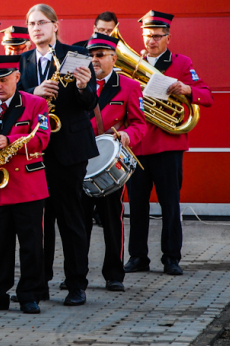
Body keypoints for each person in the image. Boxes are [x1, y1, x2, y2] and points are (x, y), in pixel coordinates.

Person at [18, 4, 98, 306]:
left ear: (55, 26)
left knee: (71, 220)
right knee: (39, 221)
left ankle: (77, 284)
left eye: (42, 22)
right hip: (34, 150)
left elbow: (90, 102)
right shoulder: (21, 61)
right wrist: (33, 93)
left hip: (69, 150)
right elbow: (13, 98)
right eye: (31, 23)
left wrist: (81, 86)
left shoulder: (74, 55)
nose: (36, 28)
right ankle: (40, 284)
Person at [126, 10, 213, 276]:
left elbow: (206, 95)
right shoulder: (133, 64)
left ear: (168, 37)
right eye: (147, 35)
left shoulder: (182, 63)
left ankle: (171, 257)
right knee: (136, 206)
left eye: (156, 36)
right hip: (138, 147)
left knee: (170, 205)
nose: (151, 41)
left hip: (168, 147)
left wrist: (187, 89)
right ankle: (138, 257)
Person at [0, 55, 50, 314]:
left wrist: (10, 140)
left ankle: (29, 295)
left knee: (31, 244)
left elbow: (43, 138)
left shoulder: (36, 104)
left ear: (16, 77)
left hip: (27, 185)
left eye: (3, 80)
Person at [80, 34, 146, 292]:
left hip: (109, 163)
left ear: (113, 58)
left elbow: (140, 124)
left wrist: (127, 136)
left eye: (100, 55)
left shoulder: (128, 86)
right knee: (79, 222)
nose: (94, 60)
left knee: (112, 220)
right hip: (80, 162)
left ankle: (114, 274)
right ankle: (77, 273)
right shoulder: (78, 84)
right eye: (91, 55)